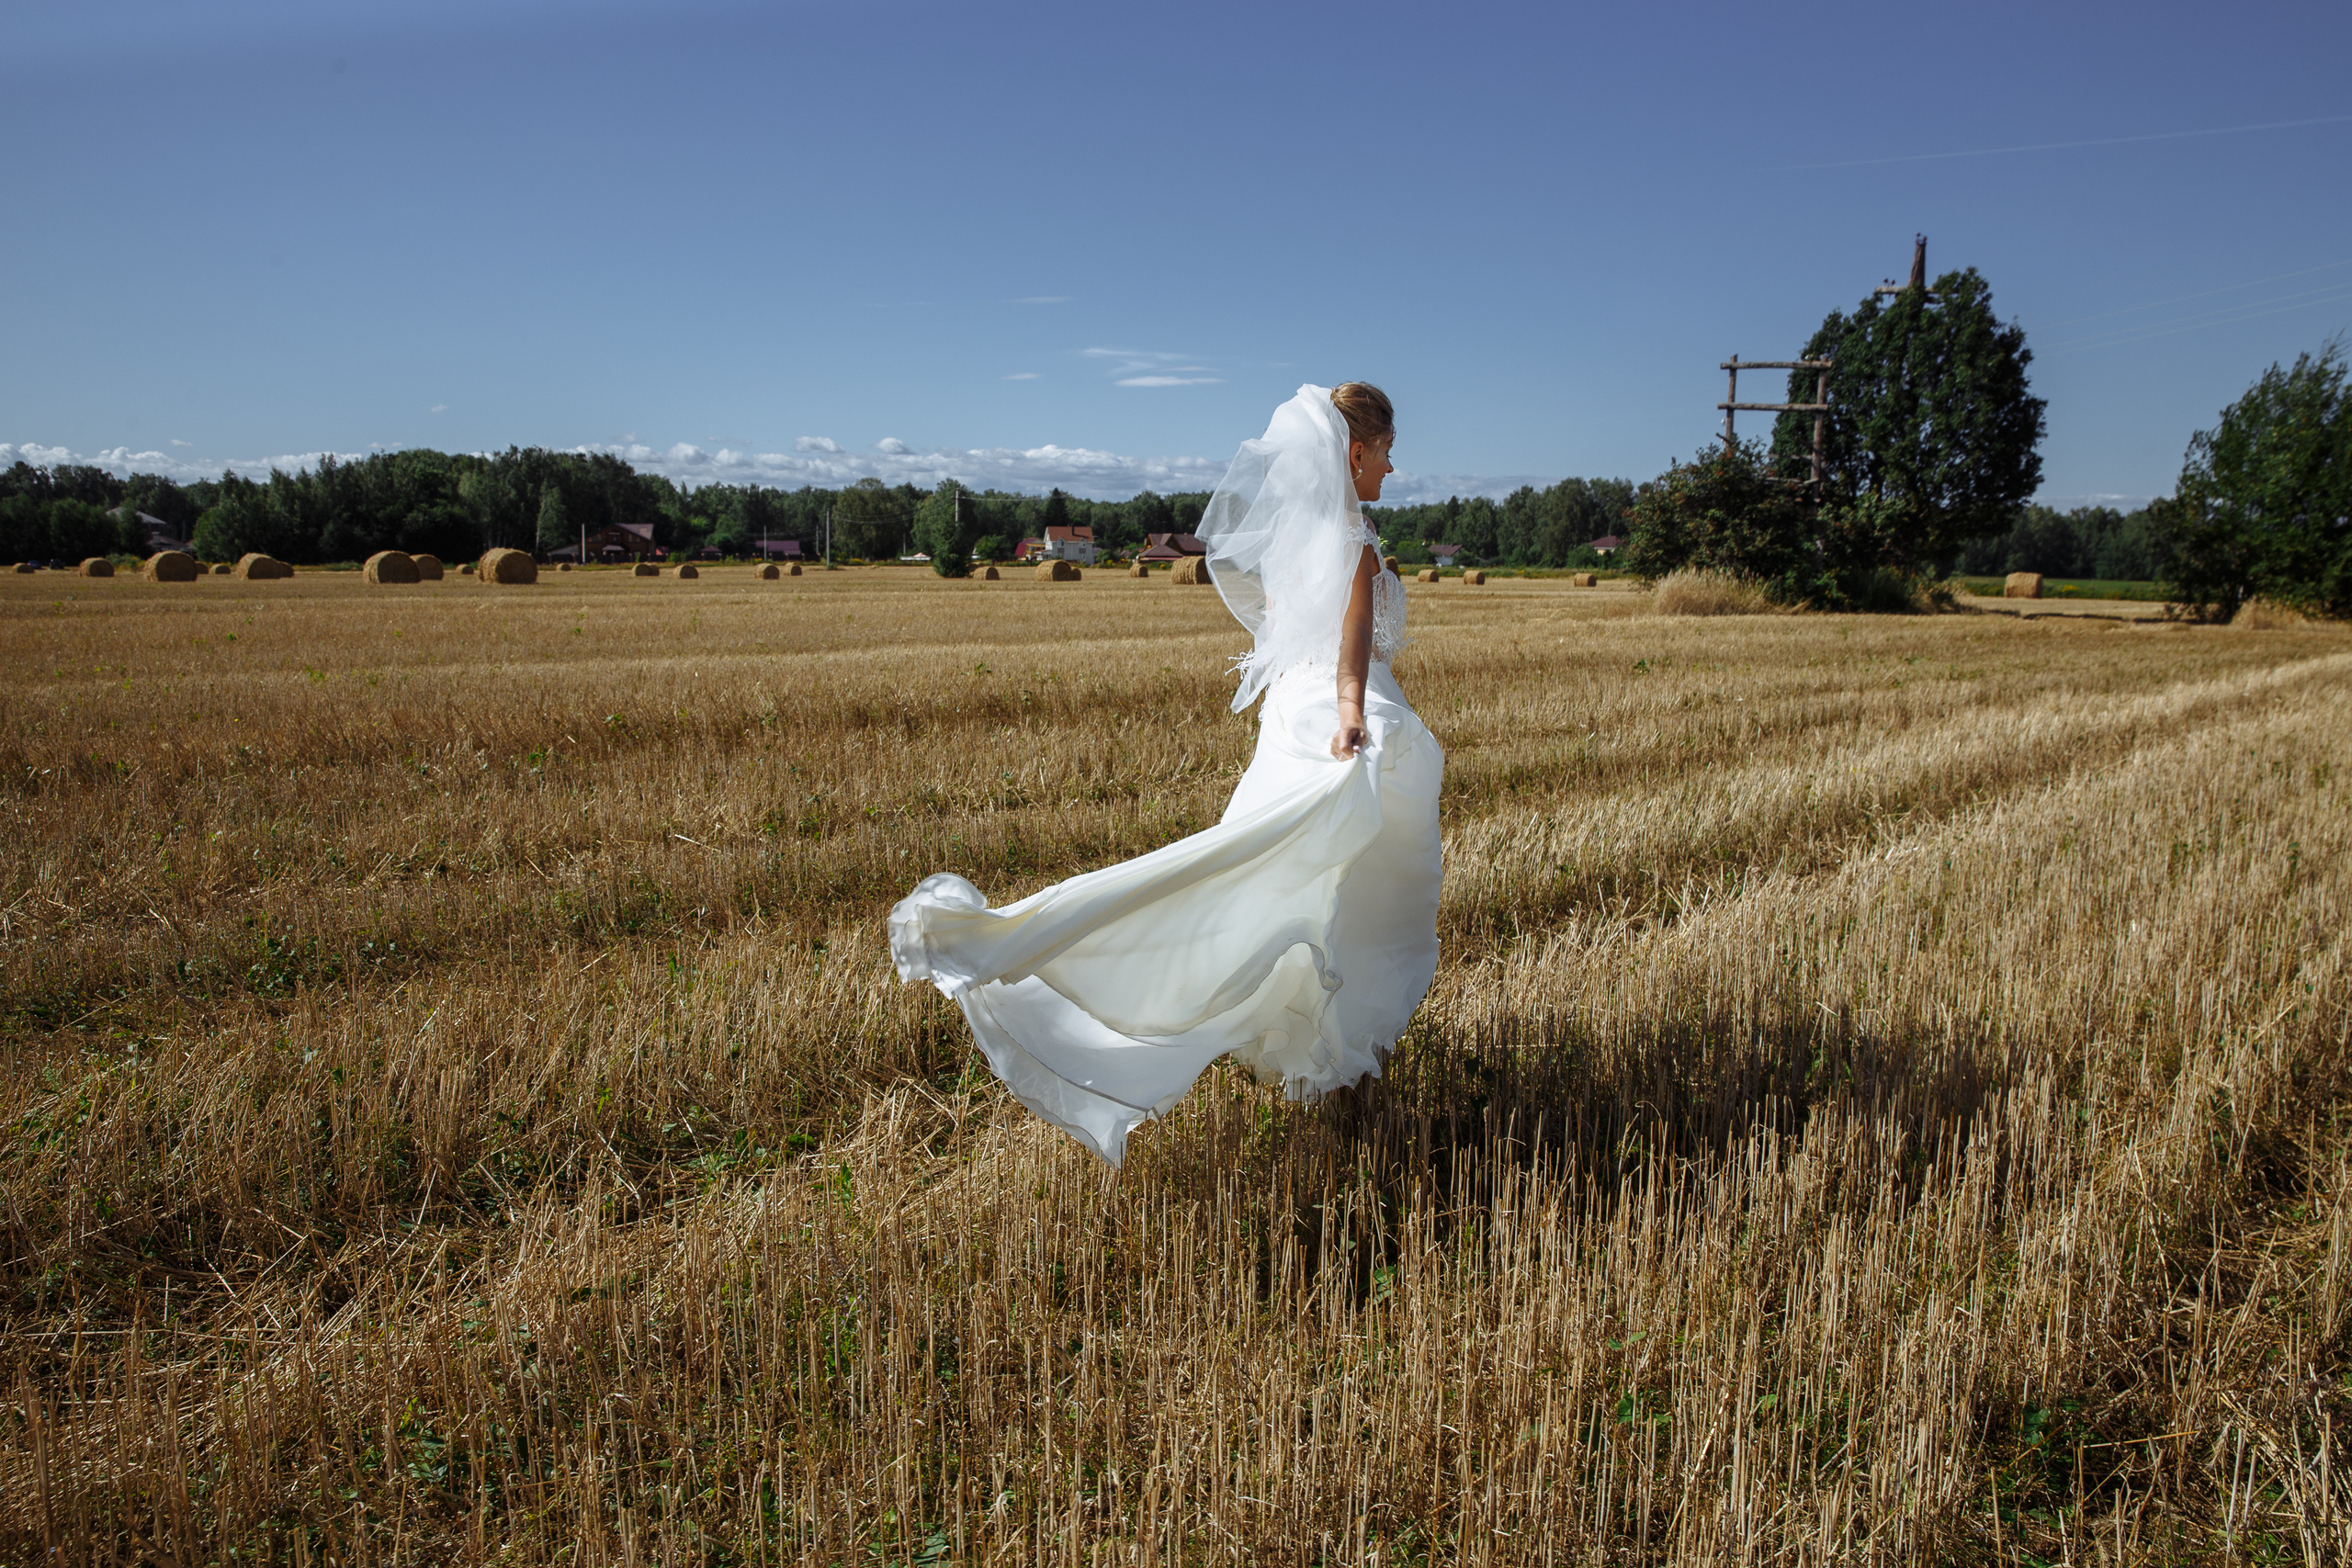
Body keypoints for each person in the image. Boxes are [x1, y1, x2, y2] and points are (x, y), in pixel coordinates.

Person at [888, 384, 1442, 1162]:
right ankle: (1329, 1058)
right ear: (1354, 454)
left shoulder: (1299, 538)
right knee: (1338, 893)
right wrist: (1352, 713)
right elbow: (1351, 646)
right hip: (1339, 720)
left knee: (1275, 884)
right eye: (1385, 449)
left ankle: (1318, 1056)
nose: (1393, 462)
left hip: (1296, 715)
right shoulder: (1350, 541)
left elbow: (1292, 634)